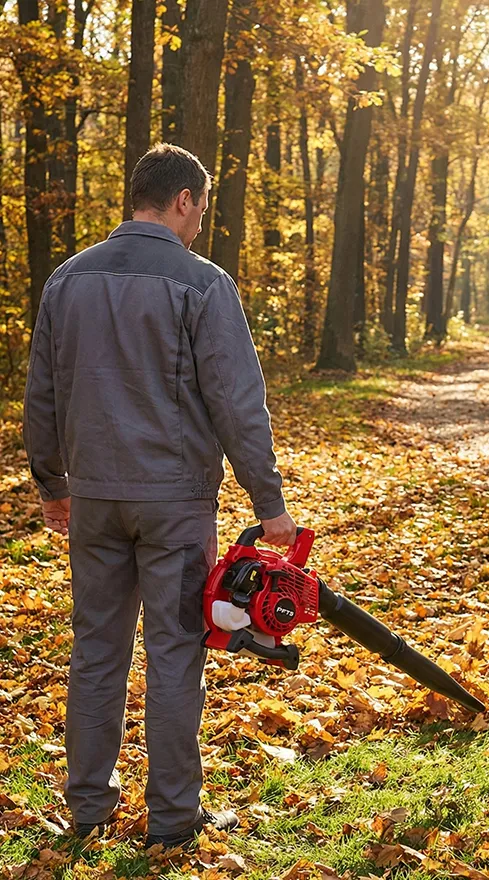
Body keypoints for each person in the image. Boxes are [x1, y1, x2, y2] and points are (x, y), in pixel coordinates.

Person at [23, 143, 297, 847]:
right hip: (174, 503)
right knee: (176, 653)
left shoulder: (65, 281)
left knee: (96, 650)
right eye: (201, 208)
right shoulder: (201, 284)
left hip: (93, 500)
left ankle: (88, 807)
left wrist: (52, 483)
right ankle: (174, 819)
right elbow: (238, 401)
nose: (200, 222)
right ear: (183, 200)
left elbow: (43, 394)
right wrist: (269, 503)